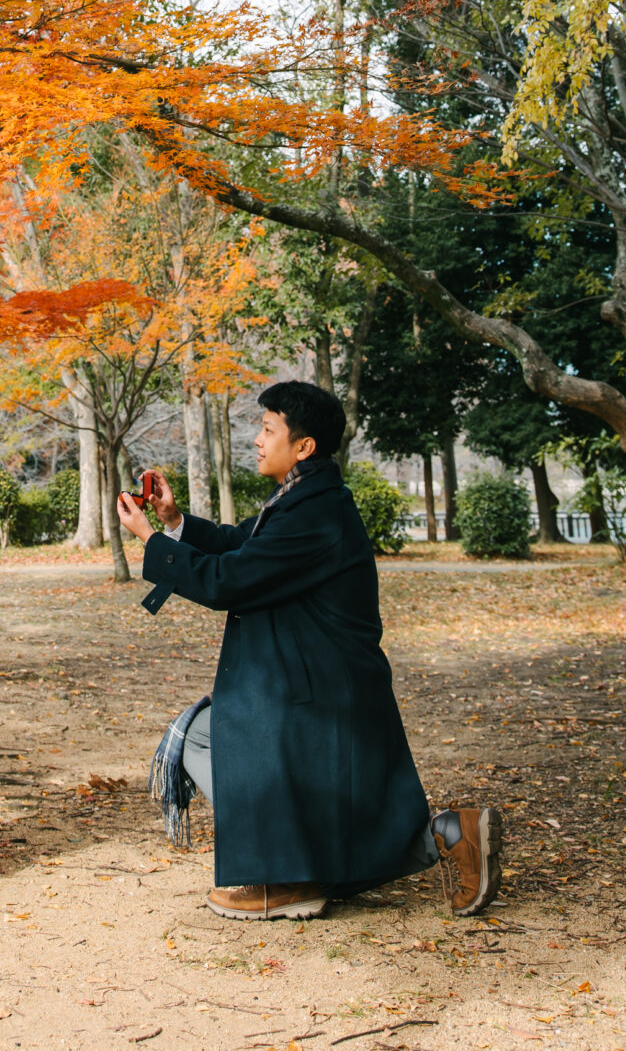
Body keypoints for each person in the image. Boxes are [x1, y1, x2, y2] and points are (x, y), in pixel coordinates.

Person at [118, 380, 502, 922]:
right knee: (219, 743)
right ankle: (448, 835)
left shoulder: (313, 511)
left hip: (317, 692)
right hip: (312, 681)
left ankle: (291, 877)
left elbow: (231, 580)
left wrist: (149, 542)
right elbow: (240, 545)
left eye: (268, 429)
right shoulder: (305, 499)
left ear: (304, 447)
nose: (256, 439)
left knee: (206, 738)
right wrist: (173, 522)